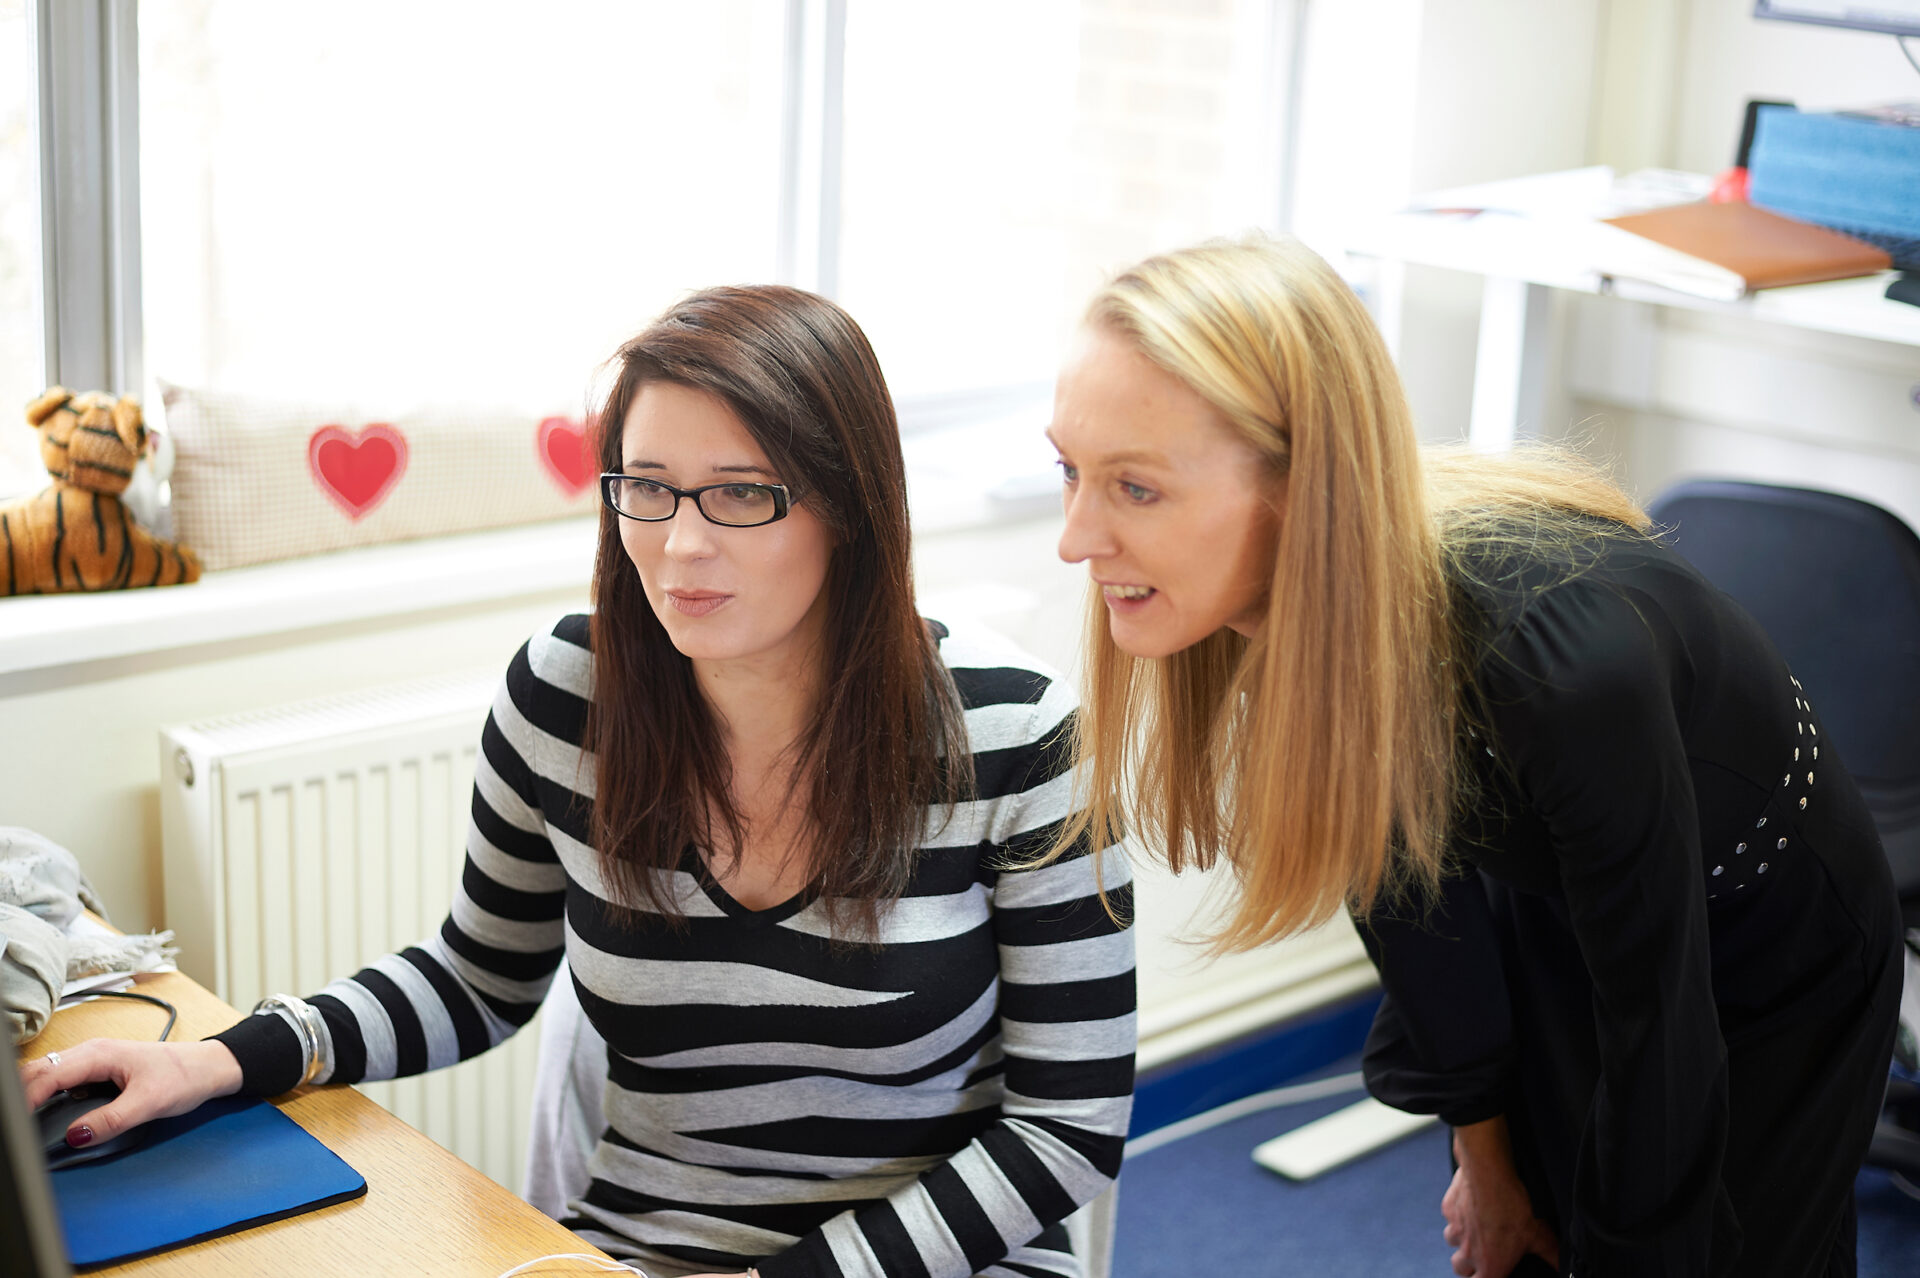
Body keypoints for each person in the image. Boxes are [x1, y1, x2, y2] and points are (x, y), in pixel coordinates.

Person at [22, 285, 1136, 1278]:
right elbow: (477, 976)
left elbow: (1068, 1127)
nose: (681, 548)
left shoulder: (1018, 738)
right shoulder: (570, 693)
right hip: (646, 1245)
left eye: (741, 495)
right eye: (647, 489)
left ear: (847, 506)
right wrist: (222, 1062)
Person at [1043, 235, 1901, 1278]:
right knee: (1533, 1232)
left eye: (1135, 489)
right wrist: (1482, 1153)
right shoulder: (1291, 607)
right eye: (1070, 473)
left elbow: (1657, 1019)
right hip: (1564, 897)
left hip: (1766, 944)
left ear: (1301, 485)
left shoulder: (1558, 658)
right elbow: (1413, 897)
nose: (1076, 538)